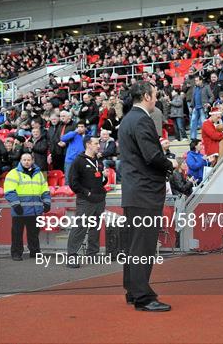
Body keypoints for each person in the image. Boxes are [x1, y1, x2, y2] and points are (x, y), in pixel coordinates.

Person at [118, 81, 175, 312]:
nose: (156, 99)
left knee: (134, 244)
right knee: (143, 245)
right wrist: (170, 163)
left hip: (135, 191)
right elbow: (152, 156)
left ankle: (133, 291)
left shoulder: (127, 120)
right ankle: (142, 296)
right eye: (154, 94)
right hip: (145, 192)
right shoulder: (142, 120)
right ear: (145, 96)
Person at [67, 136, 108, 268]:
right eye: (96, 143)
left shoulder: (99, 162)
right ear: (88, 145)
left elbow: (100, 180)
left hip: (100, 199)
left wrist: (105, 179)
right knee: (80, 227)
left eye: (99, 143)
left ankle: (92, 254)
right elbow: (73, 182)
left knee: (95, 228)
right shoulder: (78, 161)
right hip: (86, 201)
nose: (98, 146)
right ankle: (72, 256)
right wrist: (87, 193)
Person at [4, 153, 50, 261]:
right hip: (20, 210)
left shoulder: (39, 174)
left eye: (29, 160)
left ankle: (35, 252)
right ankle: (16, 253)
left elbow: (45, 190)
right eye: (24, 160)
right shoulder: (13, 173)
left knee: (34, 233)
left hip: (35, 210)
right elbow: (9, 191)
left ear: (32, 161)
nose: (26, 162)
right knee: (17, 234)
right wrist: (16, 205)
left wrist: (47, 203)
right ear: (20, 160)